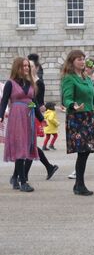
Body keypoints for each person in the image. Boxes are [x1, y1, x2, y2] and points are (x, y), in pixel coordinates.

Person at [61, 50, 94, 196]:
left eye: (83, 59)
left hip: (88, 117)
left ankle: (79, 184)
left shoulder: (86, 78)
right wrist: (72, 105)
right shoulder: (69, 78)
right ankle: (79, 185)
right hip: (77, 118)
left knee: (85, 152)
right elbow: (66, 97)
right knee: (83, 152)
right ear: (72, 62)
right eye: (79, 59)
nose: (82, 61)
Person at [0, 57, 45, 192]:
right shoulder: (10, 83)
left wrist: (41, 118)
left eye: (27, 66)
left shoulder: (30, 83)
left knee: (26, 147)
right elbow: (4, 101)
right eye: (23, 66)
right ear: (17, 67)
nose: (26, 68)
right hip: (16, 117)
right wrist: (0, 116)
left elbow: (32, 102)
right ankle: (23, 181)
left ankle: (15, 177)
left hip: (28, 118)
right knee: (20, 147)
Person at [23, 60, 59, 180]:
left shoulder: (38, 83)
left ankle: (22, 176)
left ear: (36, 68)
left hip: (33, 115)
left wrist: (28, 106)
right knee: (28, 145)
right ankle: (49, 167)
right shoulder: (23, 81)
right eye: (27, 65)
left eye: (31, 66)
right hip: (23, 116)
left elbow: (39, 104)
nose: (28, 68)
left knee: (29, 145)